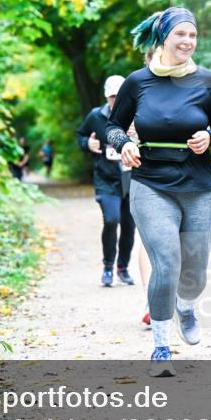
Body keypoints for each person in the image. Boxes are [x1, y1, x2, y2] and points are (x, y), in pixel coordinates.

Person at [106, 6, 211, 377]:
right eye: (181, 35)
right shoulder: (137, 82)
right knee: (166, 262)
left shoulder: (206, 80)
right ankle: (161, 346)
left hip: (198, 187)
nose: (188, 42)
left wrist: (210, 137)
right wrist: (124, 145)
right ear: (163, 38)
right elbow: (114, 127)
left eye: (193, 36)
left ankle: (187, 306)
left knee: (195, 273)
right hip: (151, 184)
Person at [76, 76, 137, 287]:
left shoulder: (137, 114)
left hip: (131, 179)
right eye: (112, 97)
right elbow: (81, 135)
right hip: (106, 179)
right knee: (111, 220)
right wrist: (88, 143)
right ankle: (108, 267)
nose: (116, 100)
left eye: (120, 96)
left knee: (129, 225)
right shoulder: (96, 116)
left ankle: (123, 267)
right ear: (106, 97)